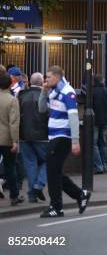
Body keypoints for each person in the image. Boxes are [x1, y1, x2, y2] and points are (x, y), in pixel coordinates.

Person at [38, 66, 91, 218]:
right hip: (54, 136)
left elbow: (73, 117)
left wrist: (75, 141)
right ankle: (80, 195)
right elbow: (42, 109)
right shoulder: (54, 92)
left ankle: (56, 207)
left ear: (57, 77)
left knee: (52, 172)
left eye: (48, 77)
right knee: (55, 172)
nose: (46, 80)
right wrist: (43, 91)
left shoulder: (67, 92)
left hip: (63, 137)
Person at [18, 72, 48, 203]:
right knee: (50, 160)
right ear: (42, 83)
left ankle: (31, 194)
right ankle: (38, 185)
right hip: (42, 135)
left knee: (30, 164)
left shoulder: (21, 95)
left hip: (24, 135)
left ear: (30, 82)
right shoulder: (46, 95)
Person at [0, 71, 22, 206]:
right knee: (10, 167)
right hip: (7, 139)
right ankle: (14, 195)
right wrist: (15, 141)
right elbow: (14, 122)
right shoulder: (12, 100)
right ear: (10, 84)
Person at [91, 75, 107, 174]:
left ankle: (99, 166)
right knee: (103, 143)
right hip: (105, 121)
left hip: (95, 121)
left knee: (93, 144)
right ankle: (104, 165)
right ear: (102, 81)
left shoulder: (92, 92)